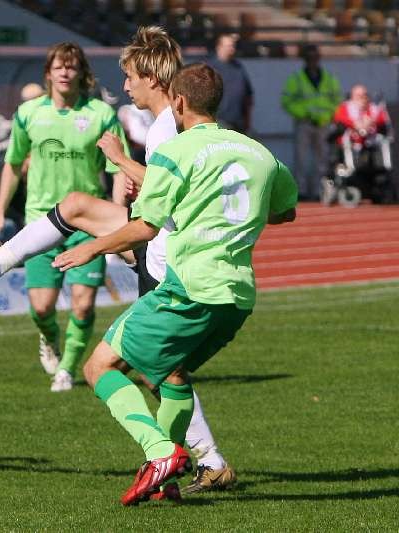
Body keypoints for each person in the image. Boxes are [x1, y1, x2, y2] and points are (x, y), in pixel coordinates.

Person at [0, 27, 239, 495]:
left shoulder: (165, 128)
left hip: (166, 256)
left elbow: (173, 192)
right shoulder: (165, 125)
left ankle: (190, 458)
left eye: (130, 76)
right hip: (164, 243)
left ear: (153, 78)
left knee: (146, 372)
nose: (125, 86)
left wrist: (122, 163)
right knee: (77, 206)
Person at [51, 62, 297, 505]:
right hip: (237, 298)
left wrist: (92, 247)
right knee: (171, 374)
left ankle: (160, 451)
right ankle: (164, 483)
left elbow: (145, 226)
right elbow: (285, 211)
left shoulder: (176, 151)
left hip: (189, 289)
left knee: (99, 368)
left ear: (178, 102)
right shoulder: (260, 153)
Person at [0, 42, 131, 393]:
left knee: (82, 304)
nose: (65, 72)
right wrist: (0, 211)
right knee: (41, 307)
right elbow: (13, 164)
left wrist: (116, 220)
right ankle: (49, 337)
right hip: (41, 222)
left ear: (82, 73)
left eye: (72, 66)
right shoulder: (28, 113)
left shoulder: (101, 114)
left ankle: (66, 369)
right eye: (59, 66)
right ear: (48, 73)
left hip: (87, 223)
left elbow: (117, 169)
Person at [281, 44, 342, 200]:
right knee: (301, 159)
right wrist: (304, 113)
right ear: (305, 59)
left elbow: (338, 101)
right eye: (309, 58)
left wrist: (328, 116)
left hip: (323, 124)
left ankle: (318, 191)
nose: (312, 60)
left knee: (322, 159)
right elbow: (286, 101)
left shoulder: (329, 78)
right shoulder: (296, 78)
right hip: (304, 123)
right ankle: (301, 191)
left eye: (315, 57)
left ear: (319, 58)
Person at [206, 34, 253, 133]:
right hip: (218, 122)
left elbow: (248, 95)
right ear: (219, 47)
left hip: (238, 123)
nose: (232, 49)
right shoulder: (210, 68)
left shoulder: (238, 67)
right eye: (228, 46)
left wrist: (247, 120)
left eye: (233, 46)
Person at [332, 84, 389, 149]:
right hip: (350, 143)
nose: (361, 98)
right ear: (352, 97)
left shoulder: (374, 108)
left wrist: (371, 122)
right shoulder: (345, 107)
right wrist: (355, 124)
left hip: (371, 142)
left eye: (364, 95)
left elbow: (383, 119)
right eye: (358, 95)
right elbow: (338, 118)